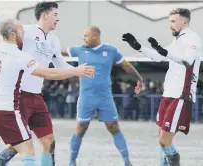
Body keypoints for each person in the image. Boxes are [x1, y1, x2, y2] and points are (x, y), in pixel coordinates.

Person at [0, 19, 94, 166]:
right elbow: (48, 73)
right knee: (28, 152)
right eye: (21, 29)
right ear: (13, 35)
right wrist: (75, 71)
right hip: (6, 111)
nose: (24, 32)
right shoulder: (20, 56)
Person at [122, 8, 202, 166]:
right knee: (161, 140)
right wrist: (138, 47)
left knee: (164, 141)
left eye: (173, 21)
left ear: (184, 21)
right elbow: (159, 56)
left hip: (181, 94)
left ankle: (175, 159)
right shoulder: (177, 40)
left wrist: (165, 52)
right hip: (168, 94)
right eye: (169, 22)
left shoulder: (193, 39)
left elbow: (187, 61)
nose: (170, 25)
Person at [61, 25, 143, 166]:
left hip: (105, 98)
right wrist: (44, 47)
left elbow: (126, 65)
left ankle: (127, 162)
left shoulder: (111, 50)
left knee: (113, 127)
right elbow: (60, 51)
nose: (83, 38)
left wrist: (139, 78)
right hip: (86, 97)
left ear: (95, 36)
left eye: (86, 36)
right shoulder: (80, 49)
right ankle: (71, 162)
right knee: (81, 128)